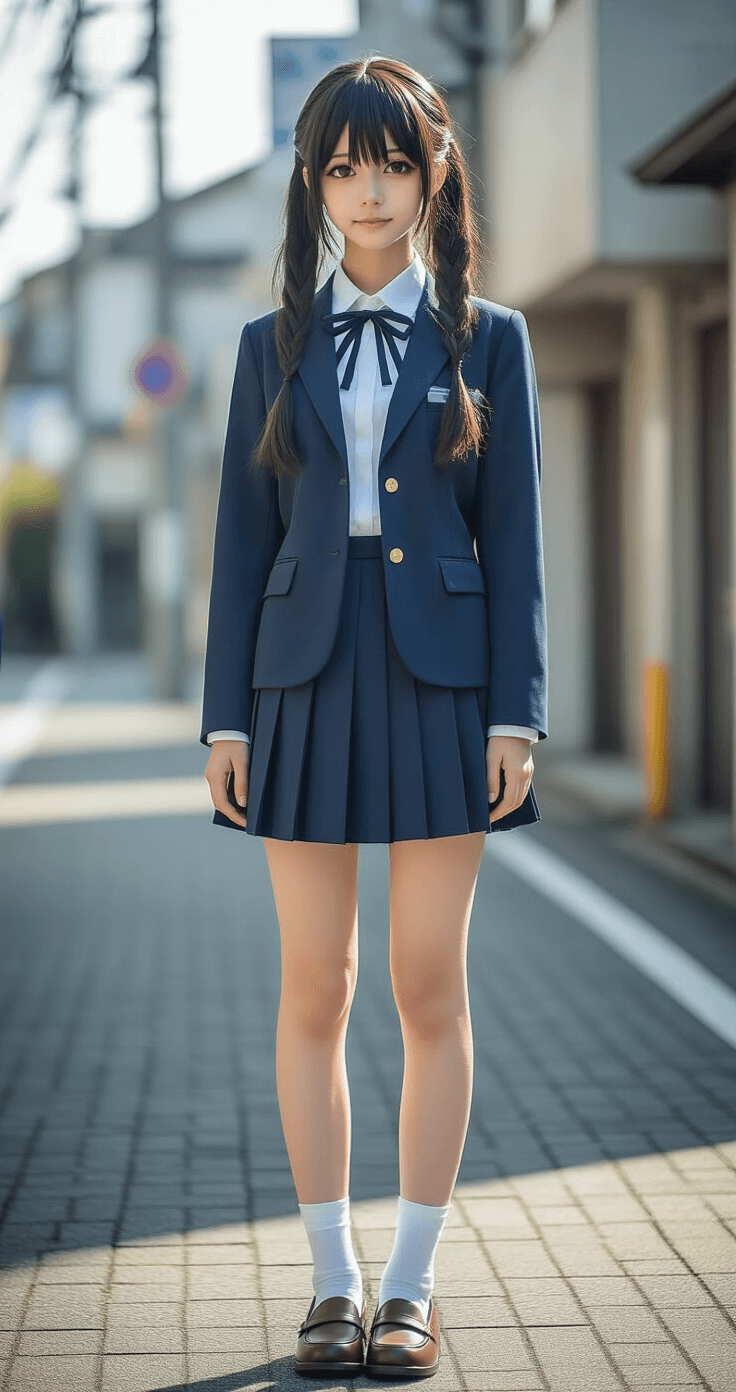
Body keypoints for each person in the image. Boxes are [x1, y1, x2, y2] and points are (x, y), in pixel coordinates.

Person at [200, 54, 548, 1380]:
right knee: (314, 986)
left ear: (434, 168)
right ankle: (332, 1281)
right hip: (297, 675)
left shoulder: (491, 340)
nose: (368, 190)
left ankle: (413, 1282)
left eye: (392, 162)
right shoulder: (264, 346)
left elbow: (512, 541)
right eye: (342, 165)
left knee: (425, 986)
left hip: (444, 680)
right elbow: (241, 541)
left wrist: (518, 709)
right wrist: (224, 717)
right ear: (313, 178)